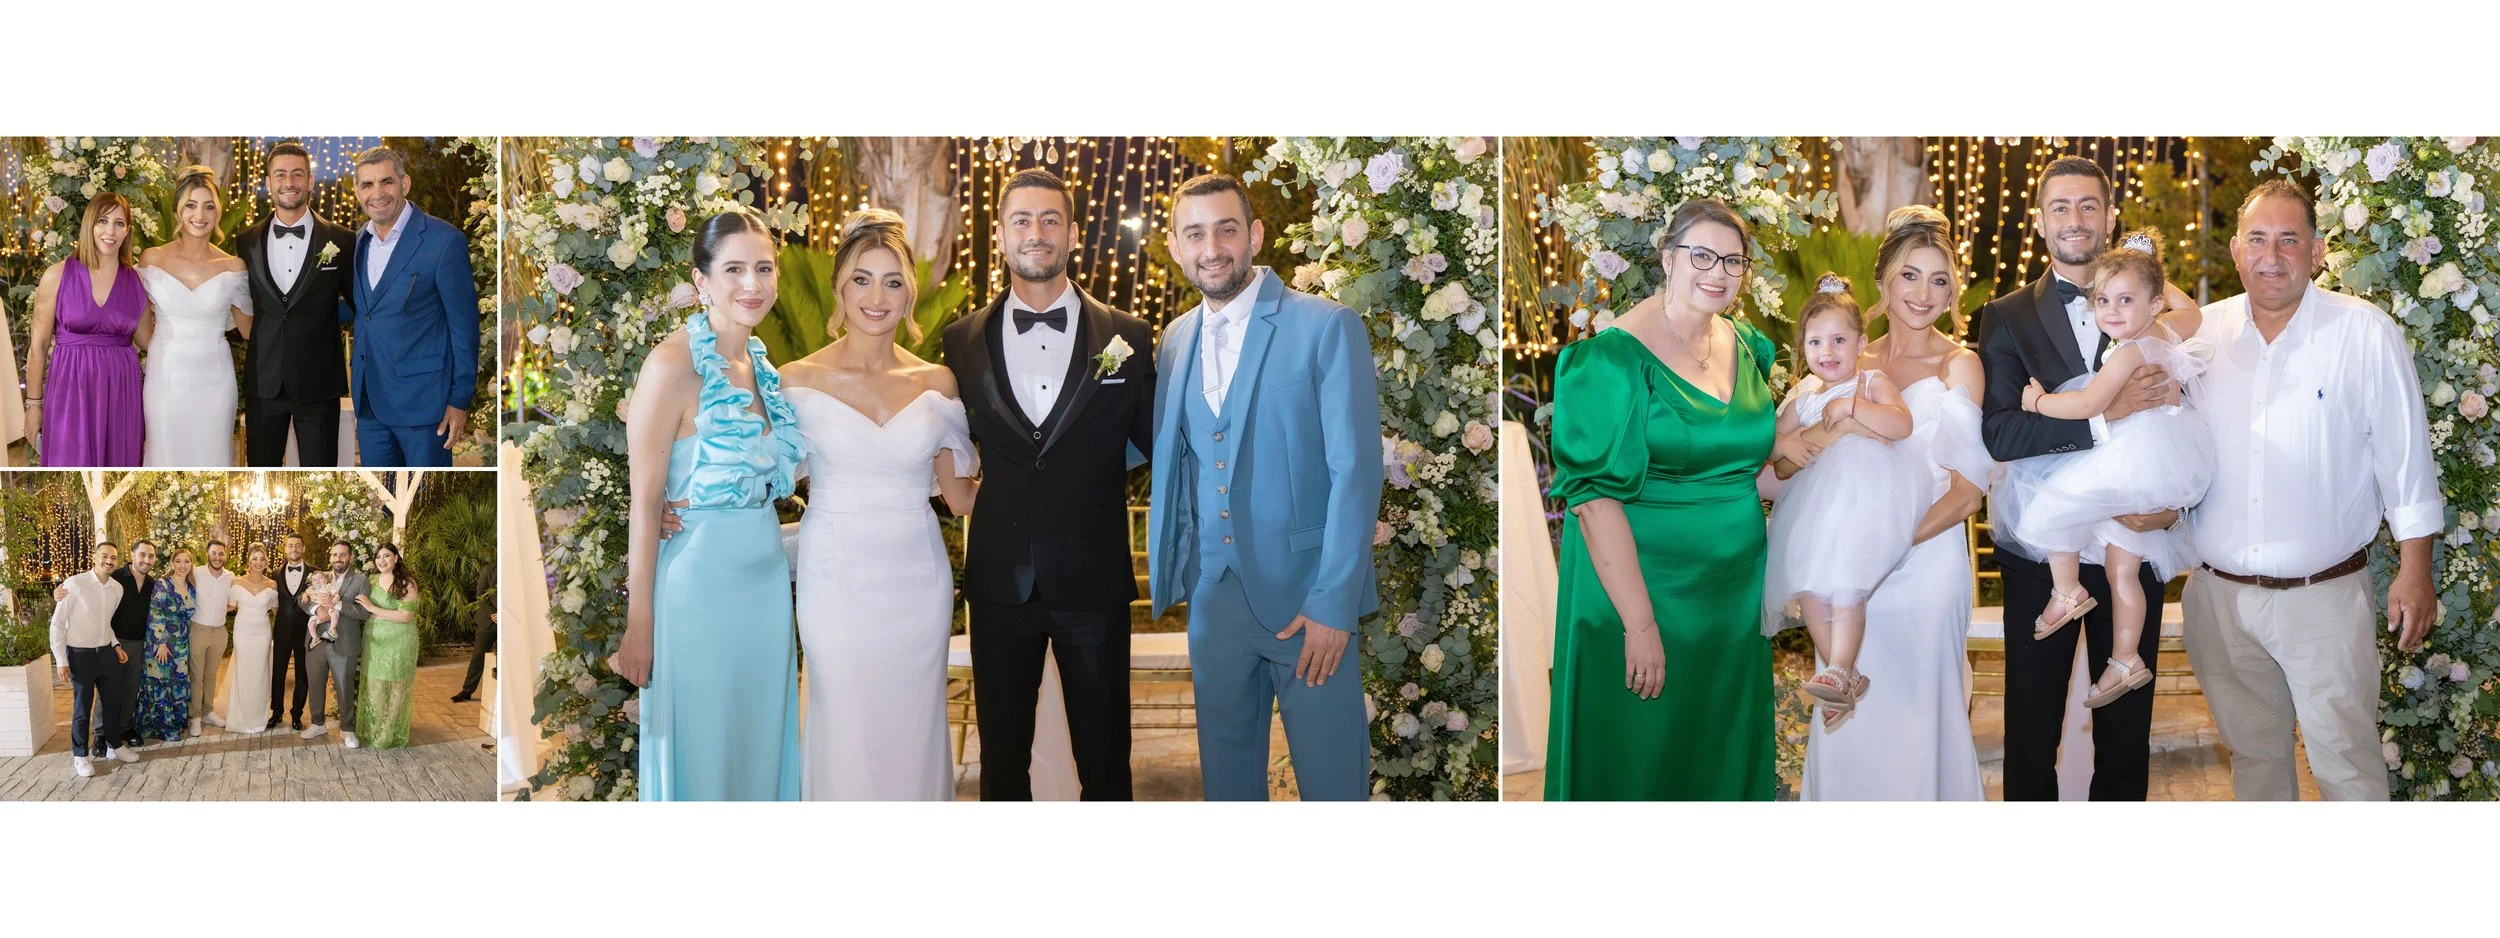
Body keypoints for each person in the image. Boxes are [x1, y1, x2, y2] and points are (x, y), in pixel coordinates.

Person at [2183, 179, 2445, 800]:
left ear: (2318, 251)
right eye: (2257, 239)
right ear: (2234, 251)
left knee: (2347, 767)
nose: (2271, 255)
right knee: (2254, 764)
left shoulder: (2364, 333)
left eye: (2288, 239)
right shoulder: (2199, 339)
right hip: (2220, 603)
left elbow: (2406, 461)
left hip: (2324, 601)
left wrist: (2416, 571)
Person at [1146, 173, 1383, 801]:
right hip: (1214, 604)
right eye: (1194, 234)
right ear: (1175, 247)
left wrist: (1334, 603)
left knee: (1335, 788)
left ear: (1253, 235)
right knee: (1228, 791)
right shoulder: (1173, 341)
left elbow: (1354, 472)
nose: (1212, 247)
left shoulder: (1324, 326)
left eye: (1227, 229)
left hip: (1308, 605)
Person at [1542, 198, 1779, 801]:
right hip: (1641, 595)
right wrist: (1639, 625)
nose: (1718, 272)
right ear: (1667, 257)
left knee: (1715, 753)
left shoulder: (1748, 346)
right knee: (1639, 760)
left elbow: (1751, 471)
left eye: (1733, 260)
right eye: (1701, 254)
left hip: (1730, 602)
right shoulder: (1611, 358)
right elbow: (1594, 503)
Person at [940, 168, 1155, 800]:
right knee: (1001, 765)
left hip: (1095, 580)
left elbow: (1153, 444)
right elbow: (946, 441)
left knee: (1107, 762)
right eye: (1022, 221)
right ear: (1001, 238)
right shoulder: (960, 341)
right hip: (999, 582)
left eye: (1050, 219)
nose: (1037, 233)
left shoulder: (1129, 336)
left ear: (1074, 234)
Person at [1974, 157, 2179, 801]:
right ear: (2039, 222)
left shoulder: (2158, 308)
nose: (2075, 218)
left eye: (2089, 205)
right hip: (2044, 553)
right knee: (2031, 730)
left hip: (2131, 541)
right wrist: (2101, 419)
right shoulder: (2006, 316)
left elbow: (2189, 415)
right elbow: (2001, 432)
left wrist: (2172, 509)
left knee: (2126, 730)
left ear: (2112, 215)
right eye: (2060, 207)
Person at [1796, 205, 1991, 801]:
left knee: (1921, 716)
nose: (1924, 292)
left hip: (1925, 564)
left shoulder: (1961, 364)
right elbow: (1791, 462)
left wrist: (1884, 543)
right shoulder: (1843, 358)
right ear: (1882, 282)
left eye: (1939, 279)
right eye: (1910, 275)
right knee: (1847, 728)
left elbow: (1966, 491)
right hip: (1844, 575)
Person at [781, 210, 979, 800]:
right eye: (862, 279)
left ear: (909, 295)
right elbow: (752, 474)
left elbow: (961, 498)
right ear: (839, 288)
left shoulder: (937, 384)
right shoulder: (794, 381)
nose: (877, 295)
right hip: (833, 577)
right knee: (843, 718)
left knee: (912, 725)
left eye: (893, 282)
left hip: (917, 583)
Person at [613, 208, 805, 801]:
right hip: (696, 591)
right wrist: (638, 625)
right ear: (701, 281)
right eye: (734, 269)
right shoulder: (671, 364)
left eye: (764, 268)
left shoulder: (763, 366)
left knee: (757, 748)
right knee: (702, 751)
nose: (752, 284)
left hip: (768, 590)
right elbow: (644, 504)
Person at [1999, 230, 2213, 709]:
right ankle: (2125, 659)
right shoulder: (2164, 328)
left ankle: (2067, 589)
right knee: (2123, 570)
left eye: (2125, 300)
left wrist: (2038, 401)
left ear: (2154, 303)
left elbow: (2089, 403)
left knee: (2049, 504)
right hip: (2160, 458)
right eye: (2102, 300)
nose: (2112, 311)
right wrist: (2147, 270)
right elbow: (2193, 312)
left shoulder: (2132, 349)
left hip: (2132, 456)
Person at [1760, 275, 1922, 728]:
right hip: (1812, 510)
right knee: (1809, 586)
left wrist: (1854, 409)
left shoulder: (1870, 381)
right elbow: (1774, 444)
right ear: (1803, 348)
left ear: (1860, 343)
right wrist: (1784, 447)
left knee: (1847, 583)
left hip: (1861, 501)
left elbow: (1901, 424)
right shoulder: (1801, 395)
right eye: (1815, 342)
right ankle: (1841, 674)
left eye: (1838, 340)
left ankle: (1838, 670)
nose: (1826, 351)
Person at [344, 145, 480, 467]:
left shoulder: (443, 241)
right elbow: (368, 310)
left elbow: (463, 327)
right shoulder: (360, 240)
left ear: (405, 184)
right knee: (380, 501)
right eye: (367, 185)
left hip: (423, 406)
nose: (377, 193)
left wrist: (459, 399)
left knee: (424, 499)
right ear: (357, 192)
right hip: (369, 404)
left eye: (386, 182)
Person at [238, 140, 356, 467]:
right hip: (264, 383)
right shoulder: (245, 241)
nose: (289, 183)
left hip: (320, 385)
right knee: (260, 476)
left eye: (297, 174)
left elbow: (361, 307)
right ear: (268, 183)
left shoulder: (342, 240)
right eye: (280, 175)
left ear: (310, 181)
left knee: (320, 476)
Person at [22, 193, 149, 466]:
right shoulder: (57, 275)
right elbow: (38, 346)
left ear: (127, 230)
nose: (110, 231)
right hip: (70, 388)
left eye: (119, 223)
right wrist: (33, 404)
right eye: (103, 221)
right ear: (89, 224)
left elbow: (149, 341)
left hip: (121, 391)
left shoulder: (136, 281)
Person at [139, 166, 252, 466]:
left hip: (215, 380)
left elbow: (249, 331)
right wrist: (162, 351)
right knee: (164, 457)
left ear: (218, 213)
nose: (199, 215)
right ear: (178, 211)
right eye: (190, 205)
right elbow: (141, 325)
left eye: (208, 206)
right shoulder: (152, 259)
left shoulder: (233, 267)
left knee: (212, 459)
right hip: (165, 377)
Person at [50, 543, 129, 777]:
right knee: (82, 708)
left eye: (113, 557)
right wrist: (61, 659)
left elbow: (106, 624)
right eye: (104, 556)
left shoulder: (117, 589)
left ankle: (115, 747)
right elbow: (57, 623)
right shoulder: (75, 584)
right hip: (79, 655)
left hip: (105, 653)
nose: (109, 561)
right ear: (94, 557)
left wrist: (115, 645)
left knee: (113, 703)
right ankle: (80, 755)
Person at [303, 541, 371, 746]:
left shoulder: (360, 580)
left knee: (344, 685)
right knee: (315, 683)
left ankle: (347, 729)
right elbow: (302, 599)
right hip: (317, 642)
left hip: (344, 642)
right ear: (330, 556)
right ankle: (317, 723)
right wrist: (316, 610)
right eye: (334, 555)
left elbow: (363, 612)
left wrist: (338, 604)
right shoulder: (319, 576)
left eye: (342, 555)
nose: (338, 559)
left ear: (350, 557)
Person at [355, 543, 420, 750]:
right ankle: (376, 727)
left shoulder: (407, 583)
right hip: (375, 640)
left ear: (396, 558)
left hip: (400, 640)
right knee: (375, 686)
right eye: (378, 557)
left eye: (387, 556)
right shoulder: (370, 581)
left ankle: (388, 730)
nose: (382, 560)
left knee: (397, 686)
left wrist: (374, 609)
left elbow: (405, 616)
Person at [135, 547, 199, 744]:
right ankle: (162, 726)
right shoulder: (163, 584)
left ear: (191, 564)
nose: (182, 565)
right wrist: (160, 643)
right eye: (178, 561)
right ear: (172, 563)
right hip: (161, 642)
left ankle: (176, 722)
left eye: (186, 562)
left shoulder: (191, 587)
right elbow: (155, 613)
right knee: (161, 682)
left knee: (178, 681)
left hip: (181, 644)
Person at [105, 540, 158, 752]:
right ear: (132, 554)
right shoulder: (115, 577)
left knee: (130, 689)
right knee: (108, 691)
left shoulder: (152, 583)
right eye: (143, 555)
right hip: (112, 642)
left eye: (151, 556)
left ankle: (125, 728)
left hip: (139, 643)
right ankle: (101, 733)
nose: (146, 560)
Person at [223, 545, 280, 734]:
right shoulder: (236, 582)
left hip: (262, 633)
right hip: (243, 632)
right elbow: (229, 607)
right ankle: (240, 715)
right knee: (243, 669)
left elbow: (277, 611)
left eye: (262, 559)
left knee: (260, 671)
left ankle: (258, 715)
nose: (258, 562)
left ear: (266, 563)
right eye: (255, 558)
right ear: (249, 561)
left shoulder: (272, 585)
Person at [186, 540, 236, 737]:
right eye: (214, 553)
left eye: (221, 554)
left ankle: (208, 711)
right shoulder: (196, 572)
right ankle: (195, 716)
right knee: (196, 675)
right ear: (207, 554)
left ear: (225, 555)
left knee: (211, 675)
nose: (217, 557)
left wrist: (225, 608)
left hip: (219, 631)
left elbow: (234, 601)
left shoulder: (231, 577)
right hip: (198, 629)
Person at [269, 534, 316, 731]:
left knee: (302, 675)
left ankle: (297, 714)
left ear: (303, 548)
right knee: (278, 673)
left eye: (298, 545)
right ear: (285, 549)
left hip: (305, 631)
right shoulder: (274, 573)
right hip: (281, 631)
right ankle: (277, 712)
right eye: (290, 545)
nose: (294, 548)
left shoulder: (315, 573)